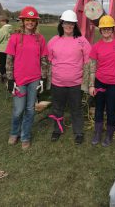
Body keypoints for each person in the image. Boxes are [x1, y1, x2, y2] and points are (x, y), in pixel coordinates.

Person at [6, 6, 48, 150]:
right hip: (19, 80)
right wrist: (10, 80)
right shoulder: (15, 37)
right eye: (27, 20)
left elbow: (44, 59)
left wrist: (43, 78)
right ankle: (14, 132)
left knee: (30, 109)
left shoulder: (40, 38)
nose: (30, 22)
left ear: (36, 22)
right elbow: (9, 60)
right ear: (23, 21)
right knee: (19, 110)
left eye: (33, 20)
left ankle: (25, 136)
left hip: (34, 79)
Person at [47, 10, 91, 144]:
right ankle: (57, 130)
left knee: (76, 109)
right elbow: (49, 60)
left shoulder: (82, 41)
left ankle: (78, 132)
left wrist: (87, 81)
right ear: (62, 24)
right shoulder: (54, 41)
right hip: (57, 82)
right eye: (66, 23)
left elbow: (88, 61)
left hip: (75, 83)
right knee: (57, 108)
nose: (69, 26)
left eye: (71, 23)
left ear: (75, 25)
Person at [89, 15, 115, 147]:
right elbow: (92, 67)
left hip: (114, 84)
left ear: (113, 30)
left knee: (111, 109)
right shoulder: (96, 46)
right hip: (100, 82)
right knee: (99, 108)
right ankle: (97, 133)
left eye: (109, 29)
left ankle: (109, 134)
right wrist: (92, 85)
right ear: (100, 30)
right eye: (104, 29)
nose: (106, 31)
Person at [0, 14, 12, 82]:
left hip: (2, 49)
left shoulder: (2, 30)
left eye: (0, 21)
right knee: (9, 63)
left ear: (3, 21)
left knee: (2, 64)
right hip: (10, 49)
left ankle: (3, 77)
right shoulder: (10, 28)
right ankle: (9, 75)